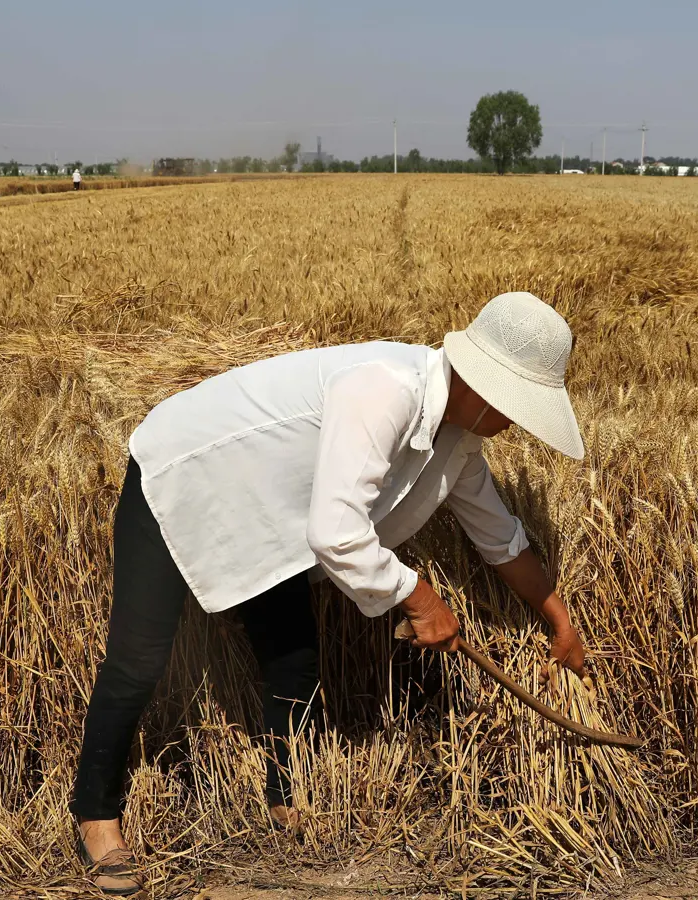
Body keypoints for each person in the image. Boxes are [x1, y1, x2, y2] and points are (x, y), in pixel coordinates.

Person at [70, 292, 591, 895]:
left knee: (294, 658)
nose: (516, 424)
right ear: (484, 387)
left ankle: (282, 799)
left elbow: (500, 538)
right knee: (140, 657)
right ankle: (95, 812)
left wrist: (559, 620)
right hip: (185, 471)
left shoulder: (458, 440)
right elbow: (337, 531)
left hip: (269, 508)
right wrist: (419, 598)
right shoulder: (385, 389)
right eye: (516, 408)